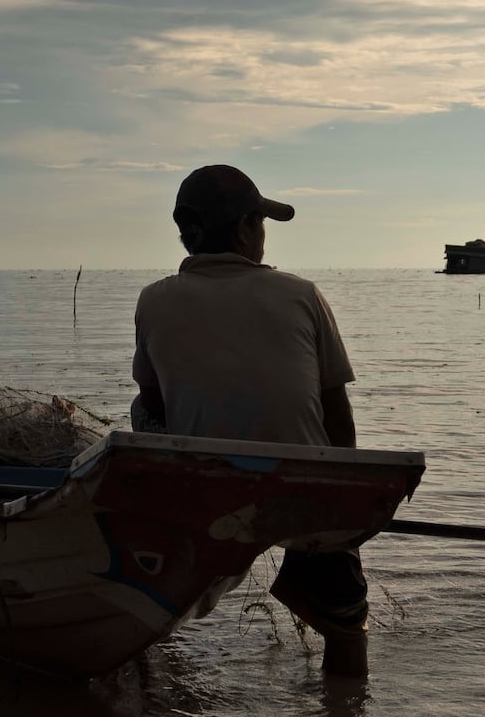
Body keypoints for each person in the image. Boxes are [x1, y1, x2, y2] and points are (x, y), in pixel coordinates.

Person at [131, 164, 370, 675]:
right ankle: (346, 705)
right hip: (300, 489)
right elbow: (338, 415)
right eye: (260, 224)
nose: (262, 236)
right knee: (348, 619)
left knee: (141, 406)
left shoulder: (153, 300)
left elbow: (151, 402)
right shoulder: (302, 294)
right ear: (244, 229)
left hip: (205, 487)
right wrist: (339, 517)